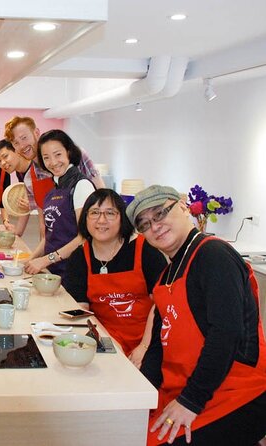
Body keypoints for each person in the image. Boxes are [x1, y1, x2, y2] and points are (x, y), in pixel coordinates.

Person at [126, 185, 266, 445]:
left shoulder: (213, 255)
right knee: (129, 432)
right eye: (144, 224)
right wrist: (142, 396)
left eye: (160, 213)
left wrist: (190, 402)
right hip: (190, 386)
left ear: (182, 206)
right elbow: (157, 347)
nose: (154, 226)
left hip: (238, 390)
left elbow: (226, 334)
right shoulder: (167, 276)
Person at [62, 189, 167, 366]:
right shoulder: (79, 258)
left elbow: (161, 305)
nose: (101, 220)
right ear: (85, 218)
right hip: (103, 339)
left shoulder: (145, 250)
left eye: (110, 213)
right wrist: (108, 343)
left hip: (150, 341)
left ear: (122, 218)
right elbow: (81, 311)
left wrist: (144, 347)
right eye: (94, 213)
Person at [24, 129, 96, 277]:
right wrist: (30, 260)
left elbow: (84, 237)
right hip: (53, 271)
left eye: (58, 154)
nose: (53, 162)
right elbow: (49, 237)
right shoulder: (52, 191)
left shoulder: (81, 186)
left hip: (74, 272)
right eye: (46, 157)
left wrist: (45, 260)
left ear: (68, 152)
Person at [0, 139, 35, 236]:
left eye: (5, 156)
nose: (3, 163)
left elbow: (49, 202)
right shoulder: (19, 172)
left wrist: (34, 204)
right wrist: (17, 233)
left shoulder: (37, 170)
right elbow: (24, 204)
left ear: (17, 151)